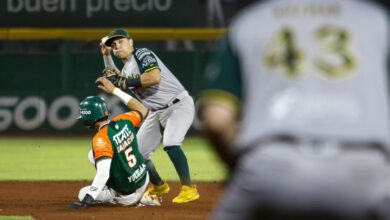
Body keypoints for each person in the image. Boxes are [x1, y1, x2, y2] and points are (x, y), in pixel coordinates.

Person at [201, 0, 390, 219]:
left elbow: (216, 120)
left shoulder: (251, 22)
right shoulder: (376, 19)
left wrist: (237, 168)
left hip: (273, 166)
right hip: (365, 168)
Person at [100, 28, 199, 204]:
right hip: (156, 112)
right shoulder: (126, 67)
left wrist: (125, 82)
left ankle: (188, 188)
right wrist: (106, 55)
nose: (117, 47)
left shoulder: (142, 53)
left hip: (178, 105)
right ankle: (159, 185)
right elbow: (113, 76)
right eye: (113, 45)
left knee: (171, 142)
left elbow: (154, 77)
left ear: (131, 42)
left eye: (120, 42)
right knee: (137, 154)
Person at [69, 77, 160, 209]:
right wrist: (115, 91)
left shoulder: (101, 138)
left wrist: (87, 200)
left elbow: (103, 172)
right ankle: (144, 192)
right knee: (92, 155)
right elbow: (143, 110)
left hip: (128, 195)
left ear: (89, 118)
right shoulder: (124, 120)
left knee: (83, 193)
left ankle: (136, 199)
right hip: (143, 179)